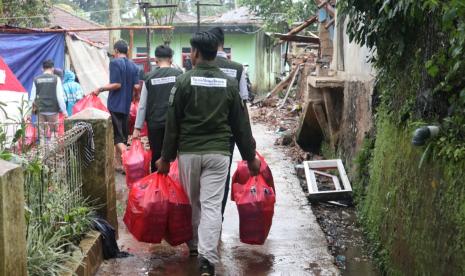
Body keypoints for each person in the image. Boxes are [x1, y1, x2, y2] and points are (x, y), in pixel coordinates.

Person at [155, 32, 261, 276]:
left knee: (193, 204)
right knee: (212, 205)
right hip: (219, 153)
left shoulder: (183, 82)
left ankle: (194, 248)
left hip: (189, 153)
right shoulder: (229, 84)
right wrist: (250, 157)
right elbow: (241, 125)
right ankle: (207, 259)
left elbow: (173, 124)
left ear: (195, 53)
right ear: (217, 51)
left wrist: (165, 158)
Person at [208, 26, 251, 217]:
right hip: (229, 131)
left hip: (201, 128)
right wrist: (248, 140)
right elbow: (242, 105)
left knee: (203, 177)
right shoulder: (238, 68)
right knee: (222, 175)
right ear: (223, 43)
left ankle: (204, 219)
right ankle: (218, 217)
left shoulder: (200, 65)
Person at [92, 40, 140, 172]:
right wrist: (135, 97)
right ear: (127, 51)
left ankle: (129, 163)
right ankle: (119, 164)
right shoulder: (134, 66)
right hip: (126, 106)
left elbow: (117, 84)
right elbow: (137, 86)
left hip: (115, 105)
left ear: (116, 51)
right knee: (122, 137)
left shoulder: (114, 62)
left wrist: (99, 89)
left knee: (117, 138)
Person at [133, 45, 183, 171]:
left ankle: (157, 187)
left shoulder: (149, 77)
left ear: (156, 60)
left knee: (156, 155)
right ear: (171, 59)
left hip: (155, 124)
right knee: (175, 156)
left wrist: (137, 128)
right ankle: (173, 185)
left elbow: (142, 105)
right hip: (174, 124)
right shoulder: (179, 75)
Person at [30, 59, 68, 142]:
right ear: (53, 68)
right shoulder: (56, 79)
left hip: (40, 111)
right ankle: (51, 153)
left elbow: (32, 97)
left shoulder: (36, 79)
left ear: (42, 69)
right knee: (54, 133)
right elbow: (60, 97)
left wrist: (28, 112)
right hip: (53, 111)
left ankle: (42, 154)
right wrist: (64, 111)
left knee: (41, 135)